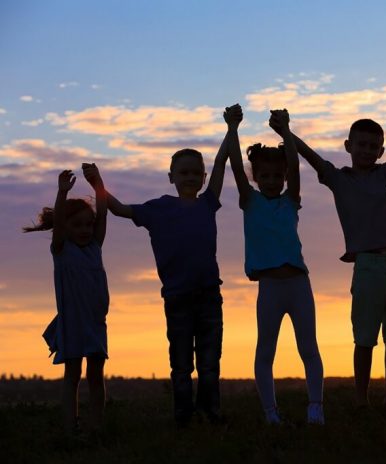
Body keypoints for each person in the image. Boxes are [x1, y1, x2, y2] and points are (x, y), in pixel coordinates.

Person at [271, 116, 386, 416]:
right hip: (368, 264)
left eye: (373, 147)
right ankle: (362, 401)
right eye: (361, 145)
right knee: (365, 337)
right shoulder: (337, 177)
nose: (366, 151)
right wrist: (286, 131)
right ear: (348, 146)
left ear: (381, 151)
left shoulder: (384, 172)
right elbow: (310, 155)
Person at [103, 105, 239, 427]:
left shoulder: (208, 203)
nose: (190, 177)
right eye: (183, 173)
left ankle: (210, 412)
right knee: (181, 364)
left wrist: (232, 128)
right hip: (177, 297)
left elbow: (222, 161)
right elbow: (119, 209)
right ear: (171, 178)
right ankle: (183, 416)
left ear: (203, 178)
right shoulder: (157, 209)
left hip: (209, 295)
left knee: (210, 362)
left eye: (196, 173)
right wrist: (97, 183)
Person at [230, 108, 324, 425]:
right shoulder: (250, 201)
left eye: (276, 176)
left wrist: (285, 130)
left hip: (298, 285)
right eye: (265, 176)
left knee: (308, 348)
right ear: (255, 177)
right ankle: (270, 413)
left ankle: (316, 407)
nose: (271, 181)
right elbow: (235, 165)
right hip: (269, 287)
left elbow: (295, 165)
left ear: (283, 178)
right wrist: (233, 128)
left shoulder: (290, 199)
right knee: (265, 351)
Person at [24, 164, 109, 434]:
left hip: (96, 323)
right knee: (72, 376)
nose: (85, 230)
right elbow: (59, 222)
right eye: (77, 225)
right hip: (72, 323)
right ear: (66, 228)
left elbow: (103, 214)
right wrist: (62, 193)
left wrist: (97, 183)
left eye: (88, 224)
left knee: (96, 376)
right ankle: (70, 429)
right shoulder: (62, 251)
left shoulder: (94, 247)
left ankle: (95, 428)